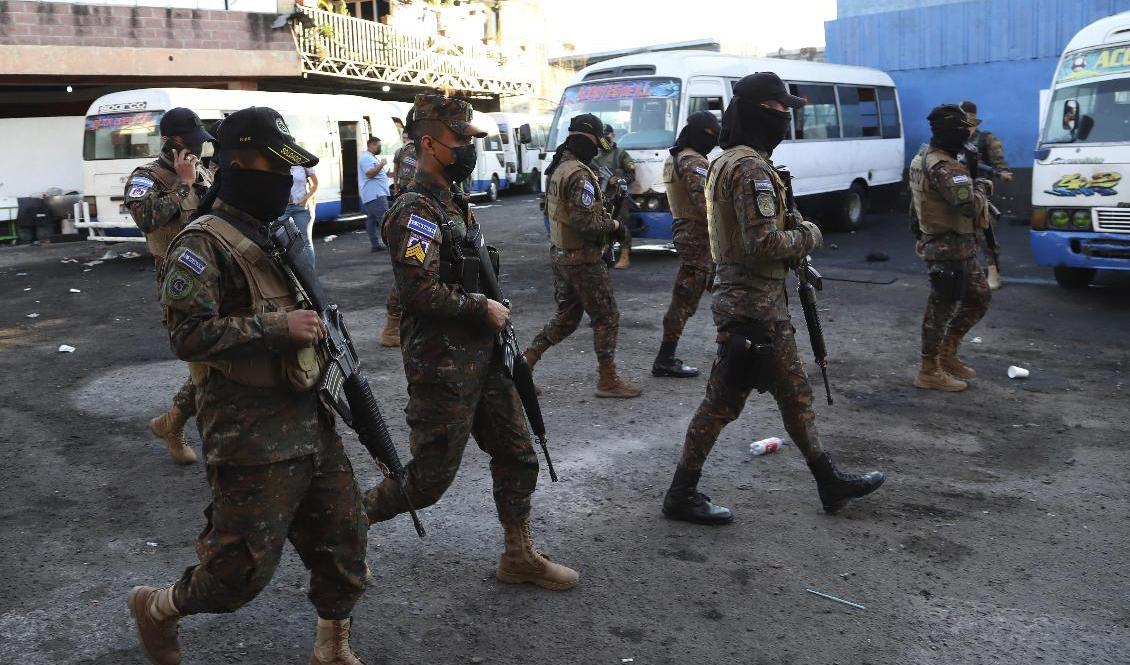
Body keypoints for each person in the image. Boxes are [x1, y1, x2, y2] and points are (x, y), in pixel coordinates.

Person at [129, 106, 370, 665]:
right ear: (241, 162)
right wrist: (275, 327)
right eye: (275, 165)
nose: (285, 179)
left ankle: (333, 649)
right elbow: (186, 335)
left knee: (344, 536)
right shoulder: (201, 243)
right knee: (237, 573)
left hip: (309, 415)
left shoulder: (274, 234)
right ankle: (158, 607)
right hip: (249, 429)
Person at [365, 93, 578, 592]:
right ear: (428, 144)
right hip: (442, 365)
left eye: (468, 140)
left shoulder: (453, 202)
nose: (468, 148)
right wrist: (480, 307)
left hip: (485, 356)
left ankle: (519, 554)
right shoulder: (414, 211)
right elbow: (417, 292)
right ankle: (347, 525)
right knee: (430, 478)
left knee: (518, 453)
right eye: (459, 140)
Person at [662, 73, 885, 525]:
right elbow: (762, 242)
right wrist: (809, 234)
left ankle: (828, 480)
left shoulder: (730, 161)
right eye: (779, 111)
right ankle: (681, 493)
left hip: (756, 300)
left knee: (793, 394)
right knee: (723, 403)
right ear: (756, 113)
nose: (785, 120)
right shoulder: (749, 169)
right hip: (751, 307)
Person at [522, 114, 641, 399]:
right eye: (596, 145)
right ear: (588, 140)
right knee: (606, 316)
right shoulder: (579, 174)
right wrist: (615, 226)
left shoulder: (560, 168)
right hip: (582, 259)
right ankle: (608, 380)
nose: (598, 152)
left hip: (562, 255)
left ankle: (524, 363)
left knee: (566, 318)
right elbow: (584, 223)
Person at [124, 107, 216, 465]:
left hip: (217, 274)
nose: (198, 148)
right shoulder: (146, 176)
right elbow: (146, 219)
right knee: (203, 362)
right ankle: (202, 440)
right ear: (175, 140)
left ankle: (171, 422)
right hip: (181, 282)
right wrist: (183, 183)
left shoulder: (201, 169)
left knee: (220, 360)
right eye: (193, 141)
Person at [910, 104, 993, 393]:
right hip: (947, 248)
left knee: (979, 296)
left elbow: (915, 203)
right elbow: (969, 205)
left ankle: (947, 354)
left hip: (959, 247)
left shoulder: (926, 158)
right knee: (940, 309)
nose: (967, 135)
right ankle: (929, 369)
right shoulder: (945, 166)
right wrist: (983, 187)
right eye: (962, 130)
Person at [652, 111, 721, 379]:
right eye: (711, 137)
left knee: (708, 295)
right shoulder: (692, 160)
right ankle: (665, 359)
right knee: (687, 299)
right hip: (699, 238)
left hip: (688, 234)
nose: (714, 143)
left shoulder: (675, 158)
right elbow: (707, 205)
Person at [960, 100, 1011, 291]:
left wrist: (1002, 173)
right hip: (958, 192)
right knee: (961, 235)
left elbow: (999, 163)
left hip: (980, 192)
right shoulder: (955, 140)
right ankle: (968, 273)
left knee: (985, 234)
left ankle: (993, 271)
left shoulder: (986, 139)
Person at [381, 123, 418, 348]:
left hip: (411, 197)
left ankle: (396, 323)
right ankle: (394, 324)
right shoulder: (408, 151)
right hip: (411, 201)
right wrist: (397, 188)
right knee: (411, 268)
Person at [593, 125, 636, 270]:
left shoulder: (620, 154)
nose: (605, 139)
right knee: (601, 225)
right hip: (600, 197)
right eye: (602, 136)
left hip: (618, 197)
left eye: (607, 136)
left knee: (621, 224)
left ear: (613, 135)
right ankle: (603, 254)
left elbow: (631, 175)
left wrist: (618, 179)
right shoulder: (594, 156)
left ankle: (625, 256)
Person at [279, 163, 319, 267]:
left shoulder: (305, 165)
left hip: (300, 207)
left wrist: (305, 199)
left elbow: (315, 184)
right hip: (283, 208)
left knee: (305, 240)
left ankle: (310, 274)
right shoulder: (278, 163)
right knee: (279, 240)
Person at [359, 136, 390, 252]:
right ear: (371, 145)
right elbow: (369, 173)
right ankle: (391, 244)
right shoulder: (366, 158)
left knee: (371, 220)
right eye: (378, 145)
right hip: (375, 194)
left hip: (373, 194)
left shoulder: (369, 157)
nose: (379, 147)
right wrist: (381, 164)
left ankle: (375, 245)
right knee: (384, 220)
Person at [390, 126, 417, 198]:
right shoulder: (399, 151)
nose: (405, 141)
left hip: (415, 185)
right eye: (403, 138)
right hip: (403, 185)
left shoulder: (418, 151)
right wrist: (395, 189)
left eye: (407, 138)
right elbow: (395, 171)